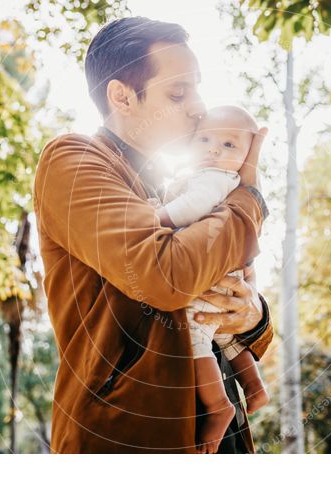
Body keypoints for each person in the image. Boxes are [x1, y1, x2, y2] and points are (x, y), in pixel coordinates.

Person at [33, 16, 274, 453]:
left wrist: (254, 316)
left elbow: (220, 287)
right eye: (178, 93)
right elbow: (164, 276)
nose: (198, 106)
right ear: (122, 96)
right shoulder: (74, 161)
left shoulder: (174, 190)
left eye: (197, 89)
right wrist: (250, 197)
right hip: (127, 442)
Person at [150, 105, 270, 453]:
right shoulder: (226, 183)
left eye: (229, 145)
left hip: (208, 282)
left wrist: (154, 219)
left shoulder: (214, 179)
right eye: (204, 139)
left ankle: (219, 406)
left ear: (247, 157)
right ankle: (254, 384)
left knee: (195, 336)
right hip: (222, 277)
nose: (214, 150)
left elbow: (190, 208)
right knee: (226, 335)